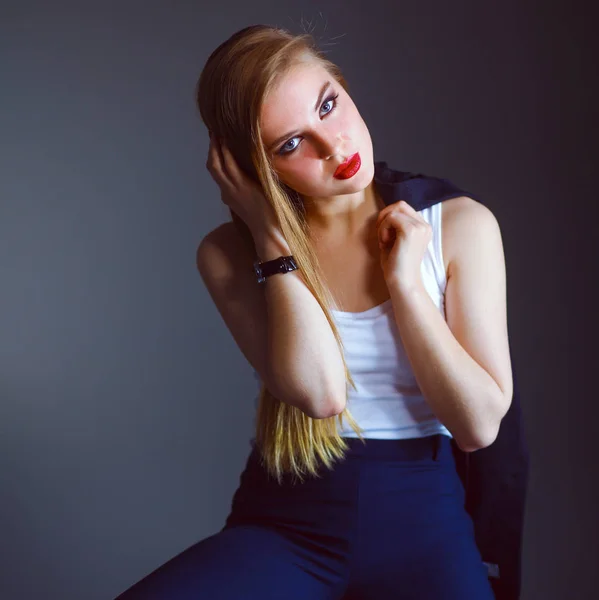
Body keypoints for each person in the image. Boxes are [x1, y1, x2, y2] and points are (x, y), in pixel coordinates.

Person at [115, 23, 514, 599]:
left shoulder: (460, 226)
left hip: (424, 523)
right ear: (255, 169)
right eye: (290, 144)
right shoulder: (228, 254)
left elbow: (478, 427)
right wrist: (270, 239)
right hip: (288, 524)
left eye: (329, 105)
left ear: (345, 87)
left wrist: (405, 282)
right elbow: (322, 394)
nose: (334, 146)